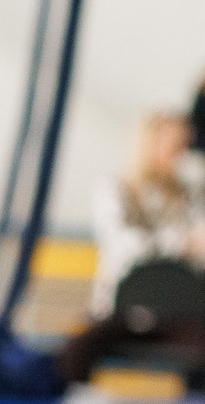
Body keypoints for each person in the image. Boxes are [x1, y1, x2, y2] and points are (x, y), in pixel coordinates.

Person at [59, 110, 205, 384]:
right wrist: (181, 242)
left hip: (181, 311)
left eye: (183, 146)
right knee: (77, 350)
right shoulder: (115, 189)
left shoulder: (192, 194)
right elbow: (123, 244)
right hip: (122, 310)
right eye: (174, 146)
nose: (180, 155)